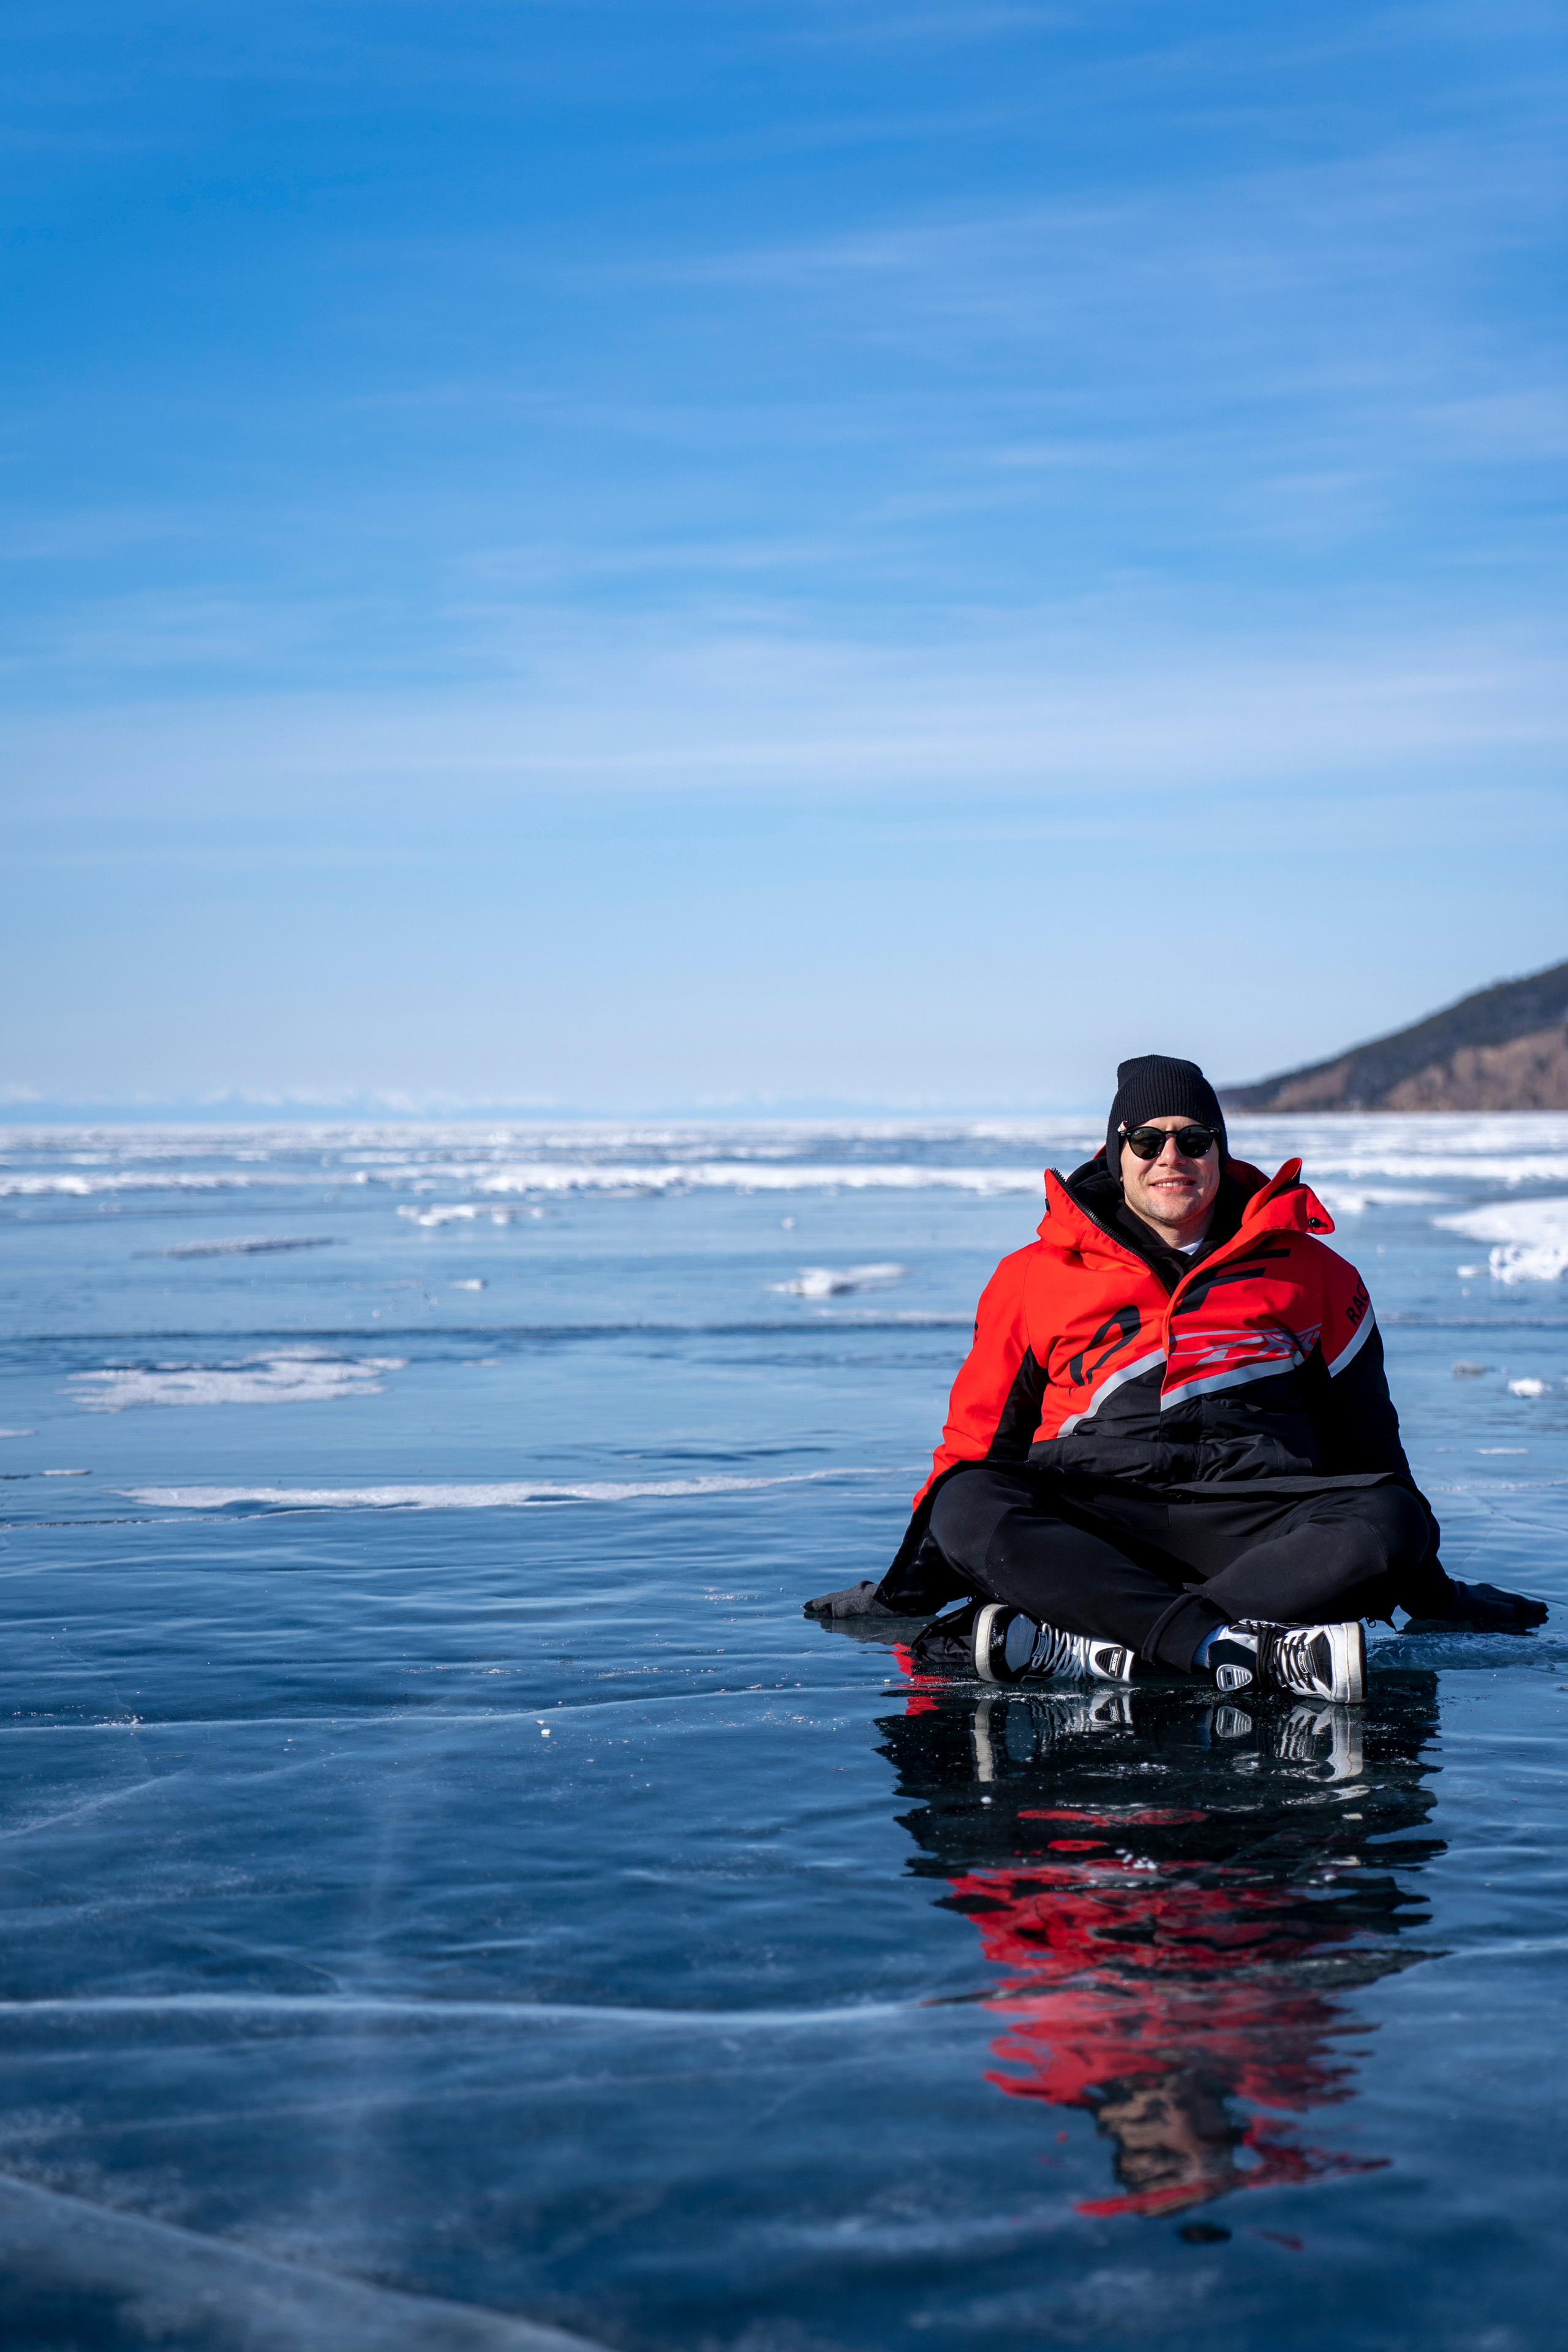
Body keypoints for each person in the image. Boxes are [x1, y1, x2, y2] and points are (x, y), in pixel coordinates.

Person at [806, 1054, 1546, 1702]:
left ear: (1220, 1152)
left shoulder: (1313, 1275)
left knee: (1391, 1518)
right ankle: (1222, 1647)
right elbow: (977, 1446)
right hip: (1095, 1523)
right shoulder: (1031, 1279)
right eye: (1147, 1140)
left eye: (1194, 1139)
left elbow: (1369, 1444)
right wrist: (904, 1590)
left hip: (1254, 1523)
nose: (1171, 1157)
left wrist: (1433, 1589)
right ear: (1115, 1152)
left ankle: (1105, 1644)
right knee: (964, 1502)